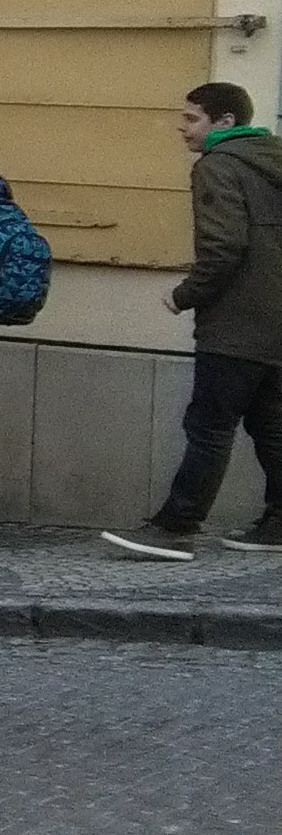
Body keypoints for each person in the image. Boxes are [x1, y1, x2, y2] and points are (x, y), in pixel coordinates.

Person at [110, 83, 282, 558]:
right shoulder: (272, 160)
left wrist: (185, 295)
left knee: (209, 425)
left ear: (224, 122)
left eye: (191, 119)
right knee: (270, 426)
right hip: (275, 325)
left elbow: (224, 246)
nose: (181, 127)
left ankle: (175, 527)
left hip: (236, 325)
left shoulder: (219, 166)